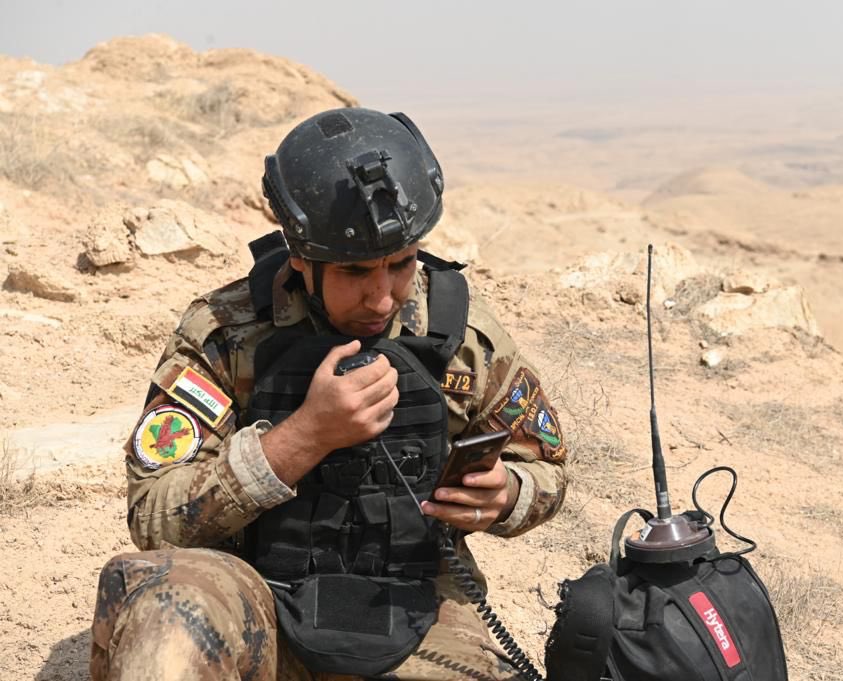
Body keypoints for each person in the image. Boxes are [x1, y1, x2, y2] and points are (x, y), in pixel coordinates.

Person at [89, 108, 569, 681]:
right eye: (355, 272)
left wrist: (506, 495)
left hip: (417, 608)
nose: (382, 297)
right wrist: (305, 437)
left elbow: (546, 469)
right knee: (167, 623)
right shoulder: (226, 334)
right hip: (254, 597)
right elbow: (154, 517)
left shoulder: (461, 336)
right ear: (301, 259)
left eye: (401, 264)